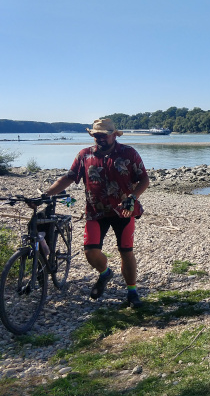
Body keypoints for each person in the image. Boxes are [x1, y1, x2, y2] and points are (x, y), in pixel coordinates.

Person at [44, 118, 150, 308]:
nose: (99, 139)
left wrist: (133, 197)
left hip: (123, 211)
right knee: (90, 252)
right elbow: (69, 178)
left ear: (113, 136)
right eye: (95, 136)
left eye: (103, 136)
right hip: (95, 211)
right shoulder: (84, 155)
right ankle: (105, 273)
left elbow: (144, 180)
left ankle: (132, 292)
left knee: (126, 252)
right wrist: (46, 195)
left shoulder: (129, 153)